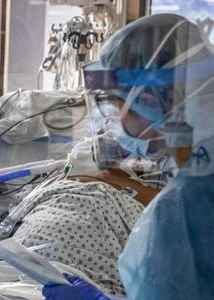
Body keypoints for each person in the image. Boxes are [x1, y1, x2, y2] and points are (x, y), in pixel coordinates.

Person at [42, 14, 214, 299]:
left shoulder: (182, 210)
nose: (112, 120)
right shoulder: (198, 171)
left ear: (149, 101)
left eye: (115, 103)